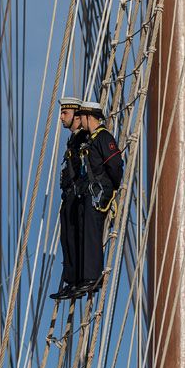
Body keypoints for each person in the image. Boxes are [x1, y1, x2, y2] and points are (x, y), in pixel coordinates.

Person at [72, 100, 122, 295]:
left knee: (92, 233)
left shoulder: (103, 138)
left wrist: (111, 188)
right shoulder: (91, 139)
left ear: (88, 117)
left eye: (82, 117)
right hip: (90, 191)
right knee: (85, 231)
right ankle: (85, 277)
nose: (80, 121)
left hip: (99, 192)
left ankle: (93, 277)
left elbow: (115, 165)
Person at [51, 95, 88, 300]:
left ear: (76, 115)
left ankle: (79, 279)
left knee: (77, 237)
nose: (61, 117)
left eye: (65, 113)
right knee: (67, 238)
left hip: (78, 194)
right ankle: (71, 280)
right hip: (70, 194)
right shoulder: (74, 138)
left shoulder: (84, 138)